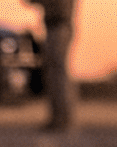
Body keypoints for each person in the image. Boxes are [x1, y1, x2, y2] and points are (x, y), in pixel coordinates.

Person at [31, 0, 75, 129]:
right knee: (53, 74)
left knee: (58, 75)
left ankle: (63, 119)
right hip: (53, 28)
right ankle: (58, 118)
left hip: (59, 27)